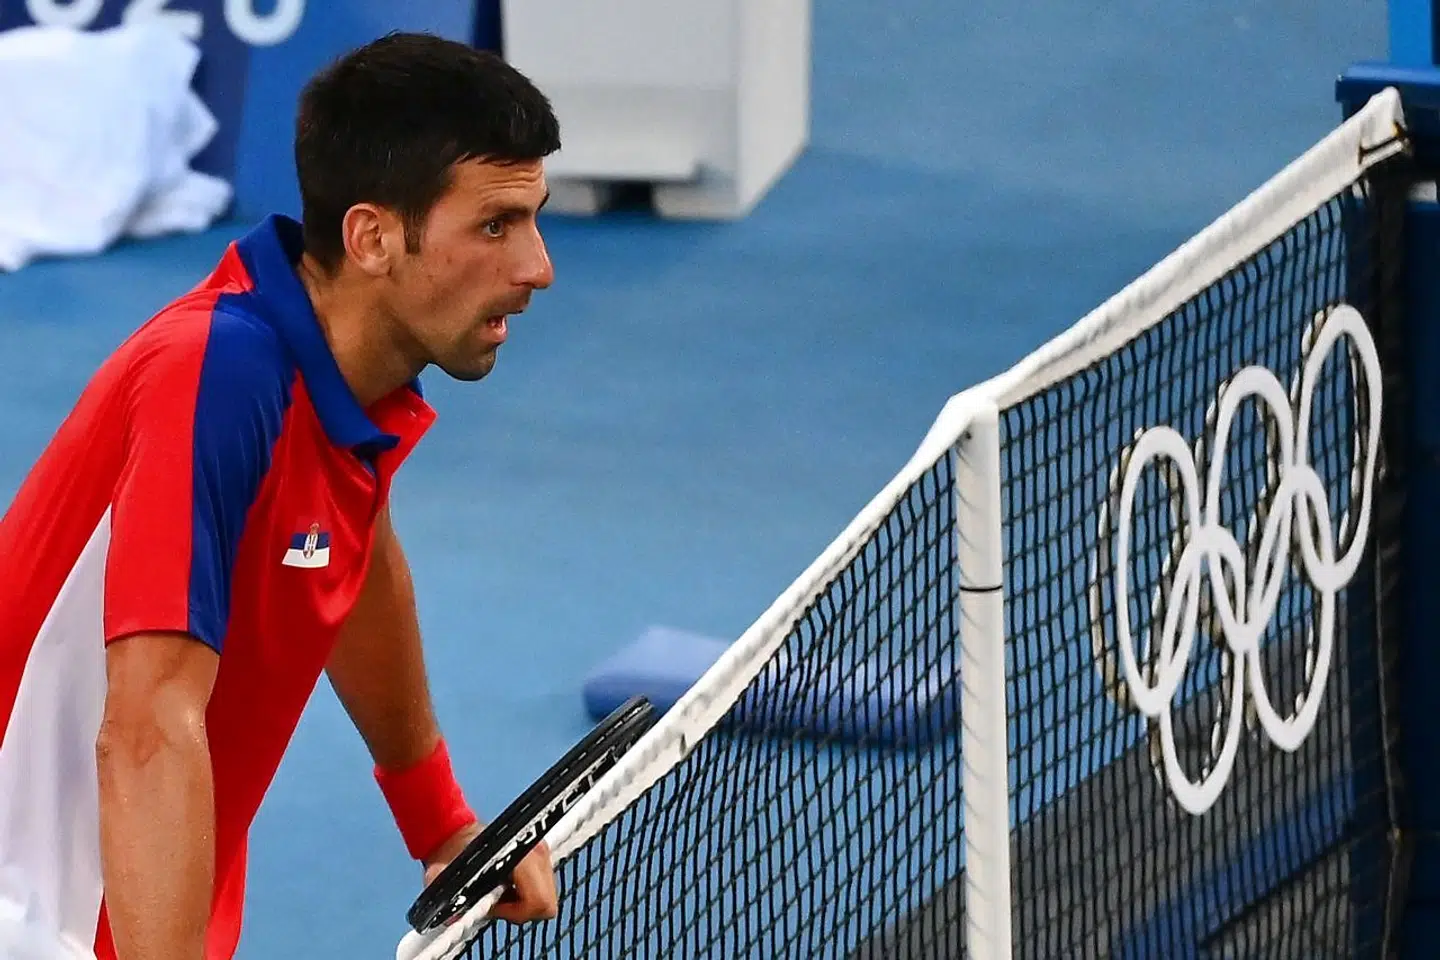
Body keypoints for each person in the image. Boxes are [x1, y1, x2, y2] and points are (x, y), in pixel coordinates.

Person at [0, 31, 561, 960]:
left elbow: (352, 561)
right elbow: (146, 729)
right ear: (372, 237)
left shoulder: (347, 383)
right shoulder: (214, 375)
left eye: (534, 218)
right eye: (495, 226)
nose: (538, 266)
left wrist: (438, 822)